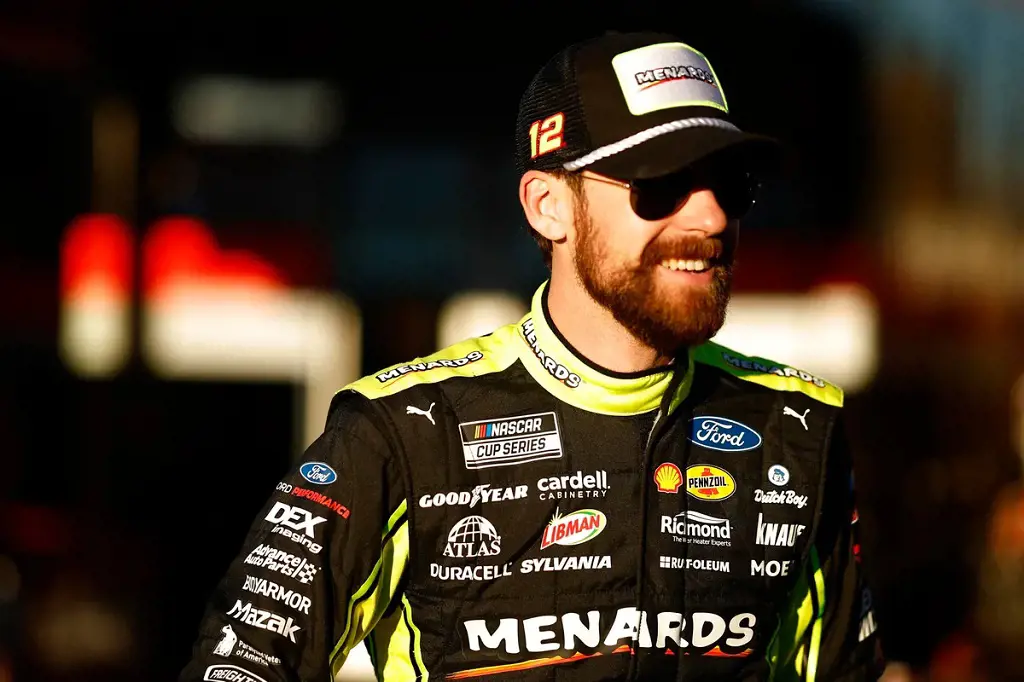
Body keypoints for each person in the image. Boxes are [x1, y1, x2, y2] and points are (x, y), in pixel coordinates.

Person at [179, 31, 884, 681]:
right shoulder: (402, 434)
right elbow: (240, 664)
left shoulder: (798, 428)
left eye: (730, 185)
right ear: (549, 206)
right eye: (660, 185)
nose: (711, 218)